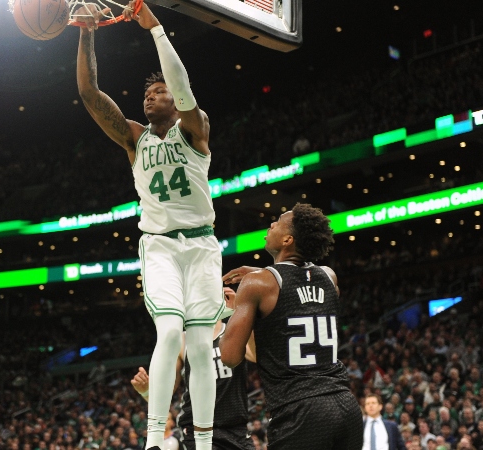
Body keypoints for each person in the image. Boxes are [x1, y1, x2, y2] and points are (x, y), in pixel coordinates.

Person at [75, 3, 222, 450]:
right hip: (159, 247)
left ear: (175, 99)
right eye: (147, 93)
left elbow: (183, 88)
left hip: (202, 246)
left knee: (201, 346)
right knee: (171, 332)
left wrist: (155, 28)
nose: (150, 97)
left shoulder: (195, 128)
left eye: (159, 92)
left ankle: (204, 444)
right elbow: (89, 94)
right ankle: (154, 440)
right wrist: (86, 32)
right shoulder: (134, 138)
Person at [218, 204, 363, 449]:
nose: (271, 224)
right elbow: (296, 285)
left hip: (300, 412)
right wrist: (260, 273)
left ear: (287, 239)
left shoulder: (257, 283)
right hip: (346, 406)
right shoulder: (329, 276)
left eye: (277, 222)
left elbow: (229, 357)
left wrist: (236, 310)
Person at [131, 287, 256, 450]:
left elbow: (256, 356)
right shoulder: (182, 340)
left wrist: (241, 311)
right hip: (197, 429)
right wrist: (147, 391)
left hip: (236, 427)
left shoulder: (233, 332)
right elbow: (167, 393)